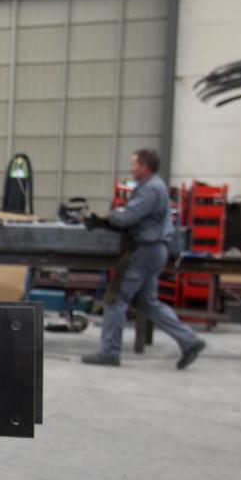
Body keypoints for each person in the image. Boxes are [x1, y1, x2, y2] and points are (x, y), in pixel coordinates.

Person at [82, 148, 205, 369]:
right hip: (154, 251)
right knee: (149, 303)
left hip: (144, 251)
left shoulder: (150, 189)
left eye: (134, 164)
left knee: (115, 299)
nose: (131, 168)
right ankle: (189, 341)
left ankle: (109, 353)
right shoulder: (153, 186)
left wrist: (105, 219)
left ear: (144, 167)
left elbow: (128, 218)